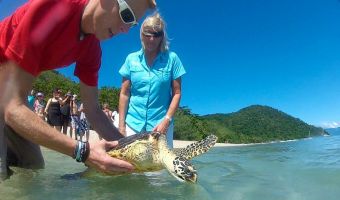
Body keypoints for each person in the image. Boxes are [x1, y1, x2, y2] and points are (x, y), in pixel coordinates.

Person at [0, 0, 157, 181]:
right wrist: (83, 151)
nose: (126, 30)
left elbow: (93, 111)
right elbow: (13, 107)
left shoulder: (92, 50)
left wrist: (131, 150)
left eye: (132, 23)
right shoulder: (53, 8)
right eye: (126, 16)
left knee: (32, 168)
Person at [118, 13, 186, 148]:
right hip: (132, 122)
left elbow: (177, 93)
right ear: (141, 34)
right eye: (147, 34)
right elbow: (124, 93)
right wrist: (121, 126)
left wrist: (166, 120)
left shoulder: (172, 59)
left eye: (156, 34)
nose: (151, 39)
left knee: (158, 168)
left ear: (162, 36)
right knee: (128, 166)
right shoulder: (131, 59)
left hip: (161, 124)